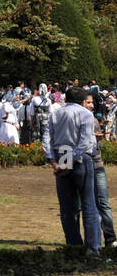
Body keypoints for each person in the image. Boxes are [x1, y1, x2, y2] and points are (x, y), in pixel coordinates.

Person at [44, 87, 102, 253]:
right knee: (89, 205)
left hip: (61, 153)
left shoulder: (56, 113)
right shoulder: (85, 114)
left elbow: (47, 138)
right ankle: (92, 248)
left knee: (67, 207)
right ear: (83, 101)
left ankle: (74, 247)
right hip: (79, 157)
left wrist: (54, 162)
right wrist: (68, 162)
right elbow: (84, 142)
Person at [80, 91, 116, 247]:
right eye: (88, 102)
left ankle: (110, 238)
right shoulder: (72, 119)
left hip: (96, 164)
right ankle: (86, 242)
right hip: (79, 165)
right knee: (82, 205)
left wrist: (96, 139)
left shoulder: (93, 120)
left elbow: (98, 146)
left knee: (102, 202)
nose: (91, 106)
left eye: (92, 103)